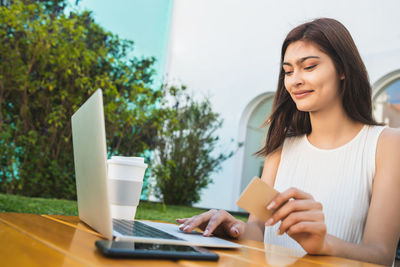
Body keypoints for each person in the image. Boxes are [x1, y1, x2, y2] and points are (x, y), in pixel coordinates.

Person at [176, 18, 400, 265]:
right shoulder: (281, 149)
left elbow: (380, 255)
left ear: (343, 69)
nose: (295, 80)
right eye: (288, 71)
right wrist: (231, 227)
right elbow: (258, 232)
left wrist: (324, 245)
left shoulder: (387, 144)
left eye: (309, 66)